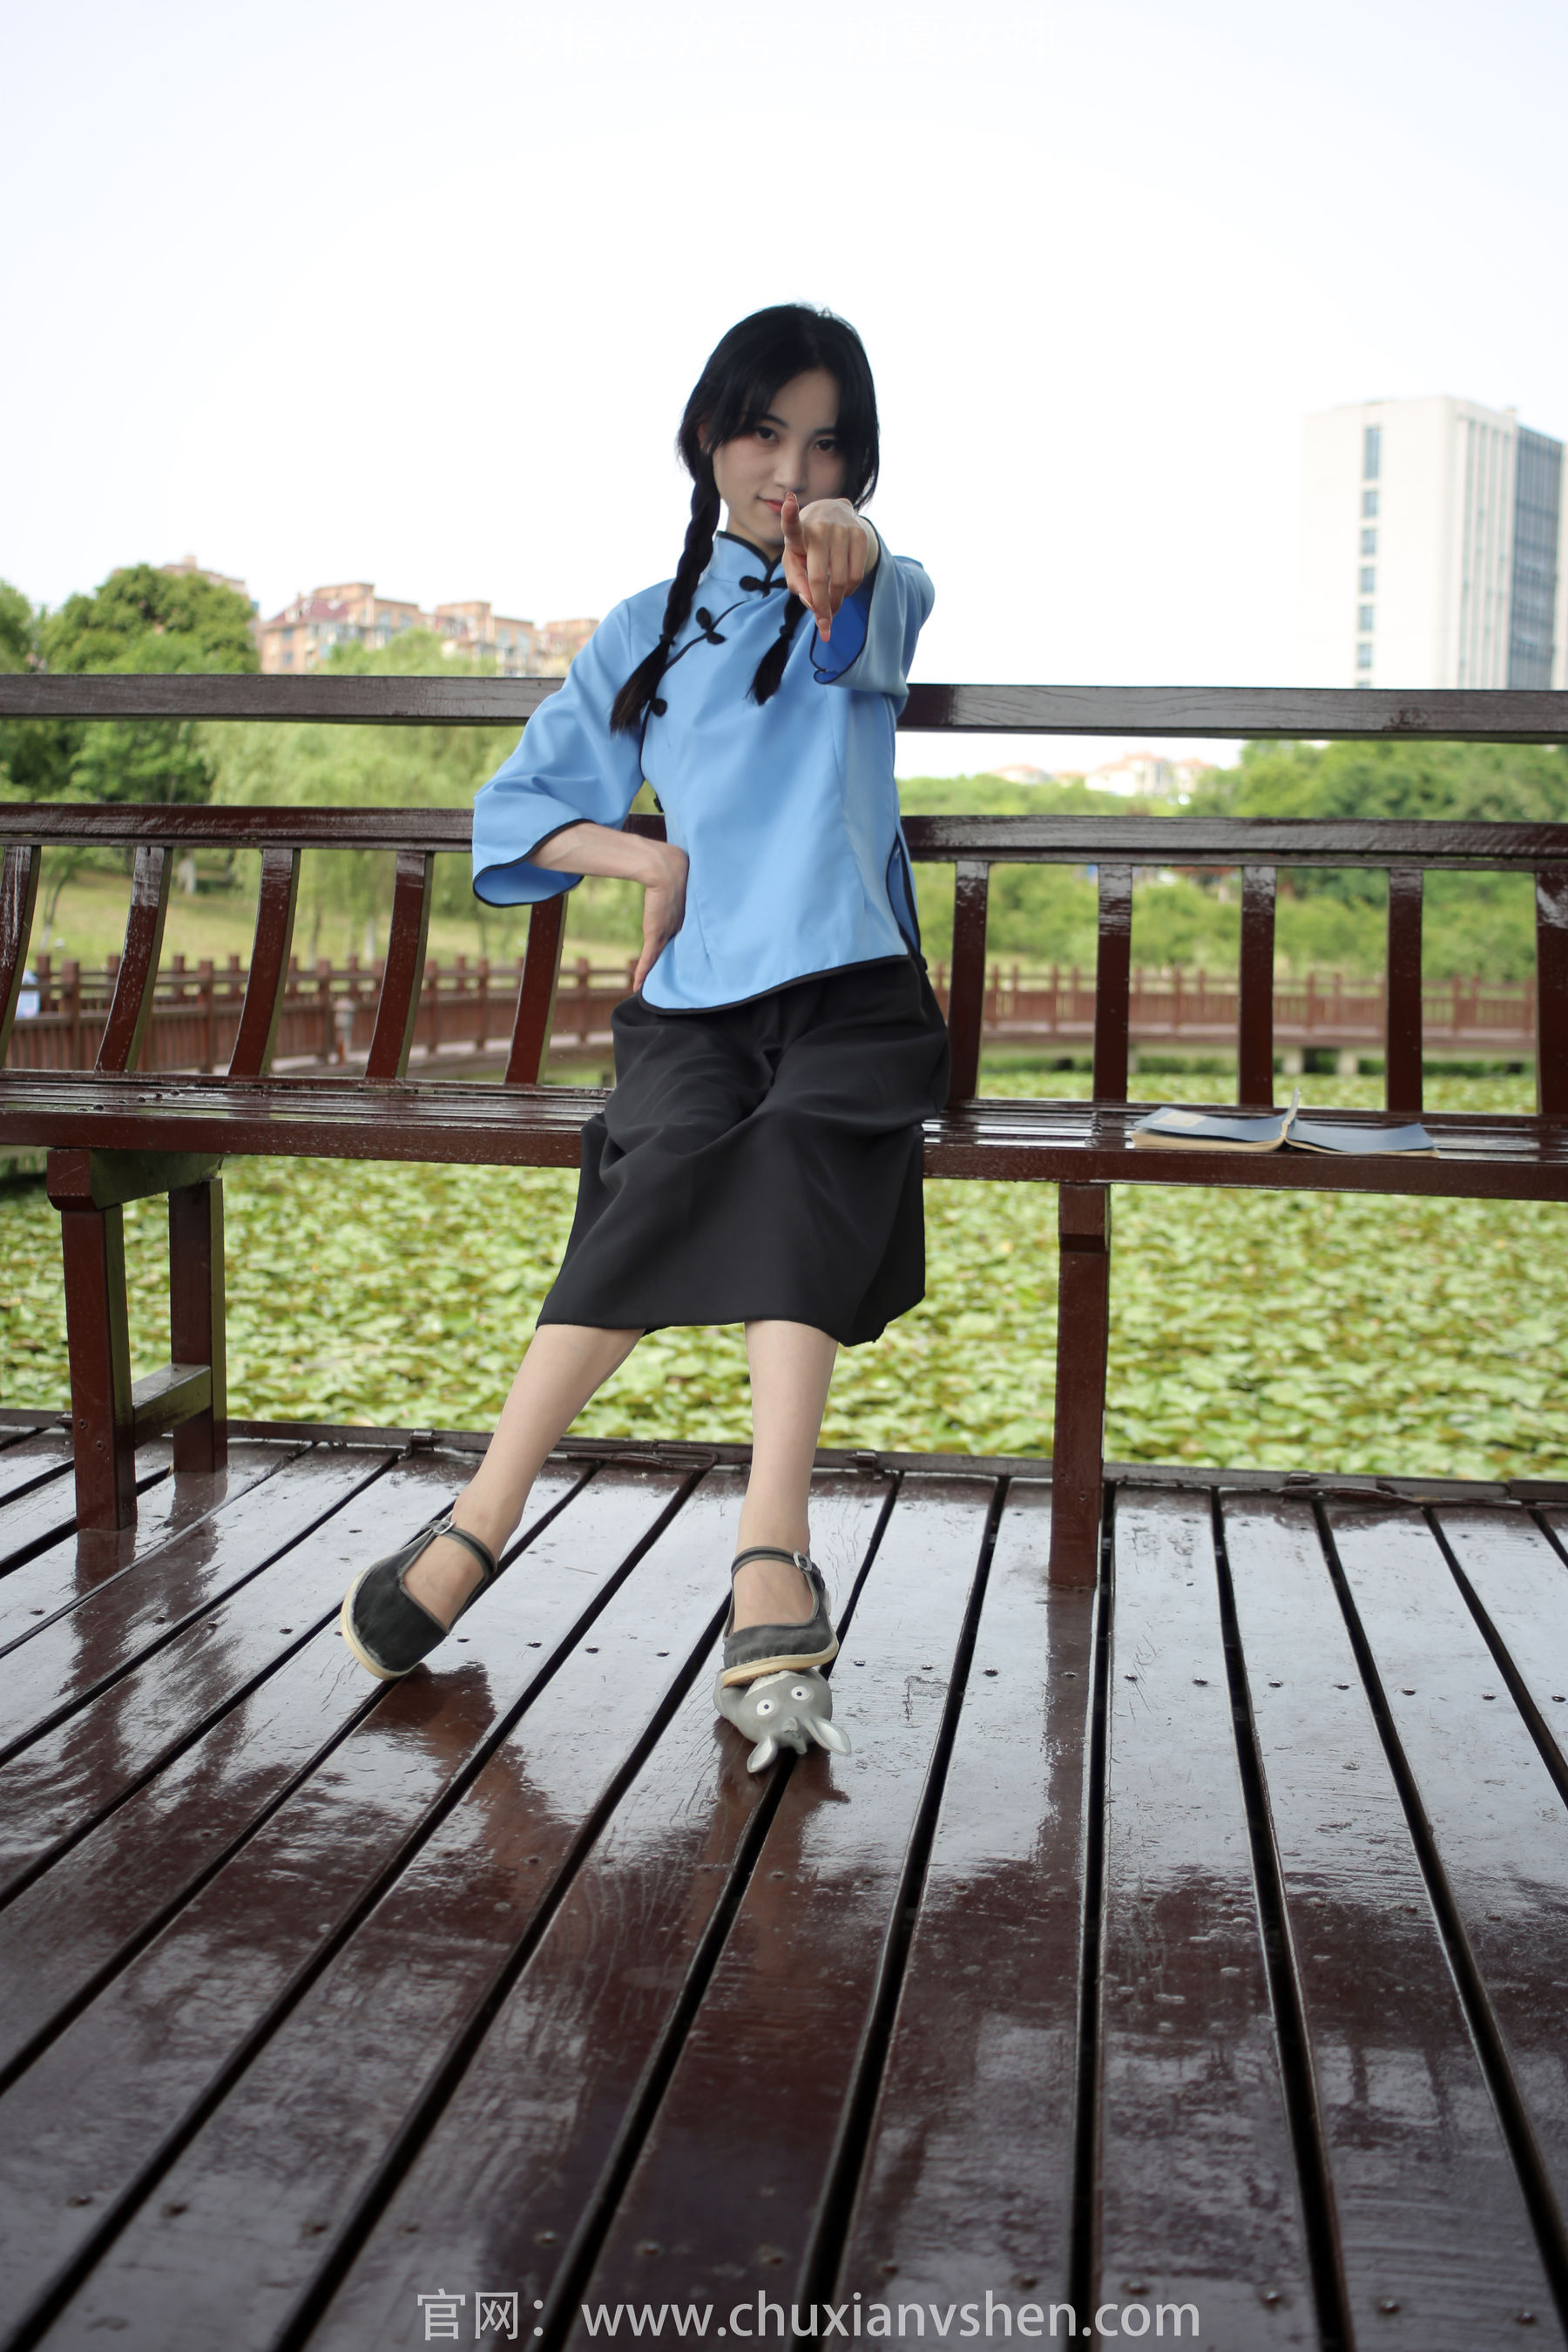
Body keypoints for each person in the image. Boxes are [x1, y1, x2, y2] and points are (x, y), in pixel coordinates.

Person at [340, 304, 948, 1754]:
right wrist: (649, 857)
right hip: (696, 1001)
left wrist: (848, 540)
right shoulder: (642, 630)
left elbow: (860, 595)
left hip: (856, 988)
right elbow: (517, 813)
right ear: (708, 438)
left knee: (798, 1149)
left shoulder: (878, 582)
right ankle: (484, 1516)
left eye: (826, 446)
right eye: (764, 434)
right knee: (656, 1158)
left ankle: (770, 1548)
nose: (790, 471)